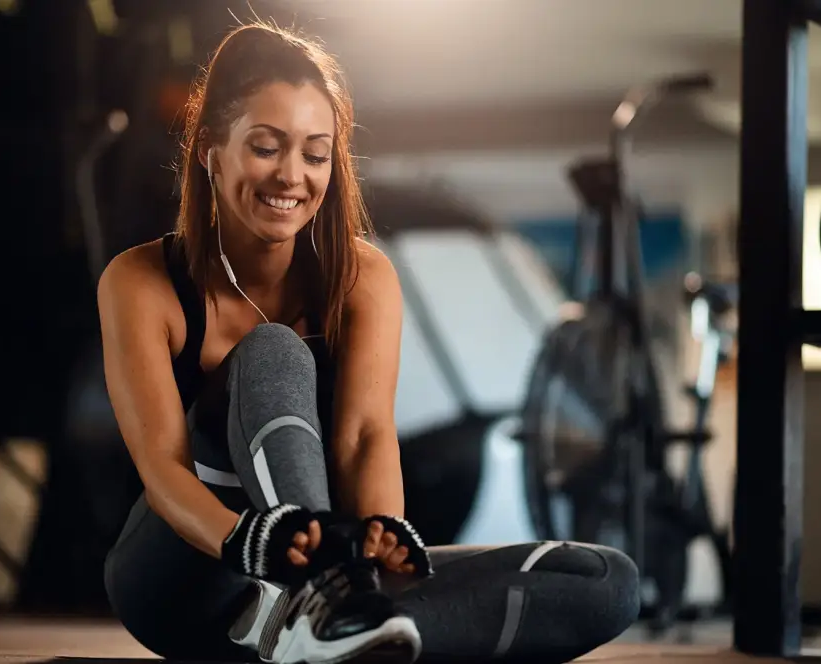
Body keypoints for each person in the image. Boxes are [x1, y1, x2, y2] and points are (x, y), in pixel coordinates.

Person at [97, 21, 641, 664]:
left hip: (323, 586)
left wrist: (383, 532)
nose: (291, 175)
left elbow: (364, 437)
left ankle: (341, 633)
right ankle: (325, 608)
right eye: (267, 147)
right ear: (212, 151)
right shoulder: (142, 281)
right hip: (186, 579)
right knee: (274, 353)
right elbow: (162, 470)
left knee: (602, 582)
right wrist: (265, 547)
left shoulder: (363, 277)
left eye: (315, 153)